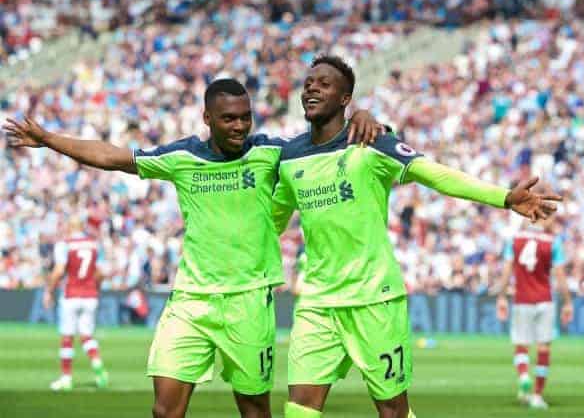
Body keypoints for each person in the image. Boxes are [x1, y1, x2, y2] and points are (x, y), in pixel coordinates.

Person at [4, 78, 382, 418]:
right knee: (165, 410)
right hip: (190, 301)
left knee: (253, 409)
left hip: (249, 302)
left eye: (245, 118)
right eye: (229, 118)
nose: (239, 126)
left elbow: (328, 142)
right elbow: (113, 157)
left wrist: (360, 115)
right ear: (207, 118)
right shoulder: (183, 158)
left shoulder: (271, 151)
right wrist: (50, 140)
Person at [272, 55, 562, 418]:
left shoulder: (372, 142)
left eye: (324, 84)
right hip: (317, 301)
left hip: (374, 300)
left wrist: (502, 197)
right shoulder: (289, 157)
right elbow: (272, 220)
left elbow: (434, 173)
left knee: (393, 409)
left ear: (345, 100)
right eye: (308, 83)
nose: (312, 87)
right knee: (299, 407)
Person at [496, 209, 573, 409]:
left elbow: (506, 271)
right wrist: (567, 302)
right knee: (544, 347)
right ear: (544, 219)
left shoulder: (514, 240)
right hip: (544, 300)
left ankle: (523, 376)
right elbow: (560, 276)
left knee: (521, 344)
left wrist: (502, 297)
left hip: (522, 300)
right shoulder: (552, 242)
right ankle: (537, 396)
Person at [44, 216, 109, 391]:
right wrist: (97, 288)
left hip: (71, 294)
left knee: (67, 337)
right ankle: (98, 366)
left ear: (69, 227)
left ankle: (66, 378)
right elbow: (100, 273)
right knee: (86, 335)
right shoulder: (94, 244)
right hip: (90, 295)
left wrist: (49, 291)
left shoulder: (65, 244)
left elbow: (58, 272)